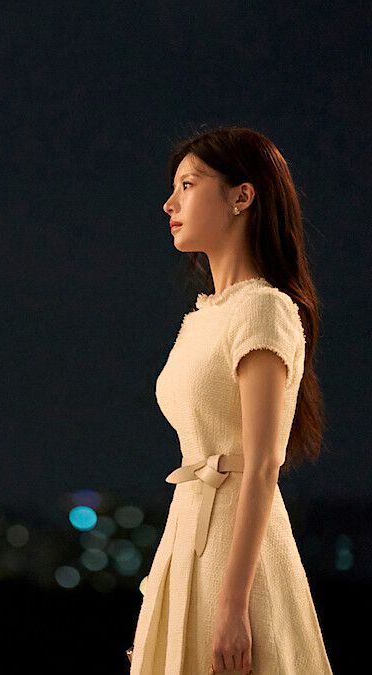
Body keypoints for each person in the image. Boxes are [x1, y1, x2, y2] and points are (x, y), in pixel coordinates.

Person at [129, 127, 331, 674]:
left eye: (189, 185)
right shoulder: (202, 317)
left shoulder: (263, 310)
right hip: (188, 533)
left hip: (237, 559)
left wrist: (234, 606)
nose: (170, 203)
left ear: (243, 196)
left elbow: (263, 466)